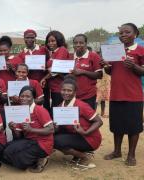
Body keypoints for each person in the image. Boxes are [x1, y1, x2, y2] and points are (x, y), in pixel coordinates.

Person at [101, 23, 144, 166]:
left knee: (134, 127)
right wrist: (106, 66)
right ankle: (117, 151)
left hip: (134, 95)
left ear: (135, 34)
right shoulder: (114, 51)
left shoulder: (141, 50)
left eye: (127, 32)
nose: (123, 35)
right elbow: (110, 71)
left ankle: (131, 155)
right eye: (121, 33)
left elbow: (142, 71)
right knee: (117, 126)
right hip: (116, 94)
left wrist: (134, 66)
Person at [0, 86, 54, 173]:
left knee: (18, 159)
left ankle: (42, 158)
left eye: (28, 96)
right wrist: (13, 128)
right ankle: (34, 159)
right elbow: (18, 135)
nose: (24, 98)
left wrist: (31, 129)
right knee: (4, 153)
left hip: (42, 143)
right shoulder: (19, 111)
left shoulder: (39, 110)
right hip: (29, 141)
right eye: (22, 96)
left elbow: (51, 129)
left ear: (33, 98)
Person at [54, 75, 103, 169]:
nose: (66, 93)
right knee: (53, 137)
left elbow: (99, 121)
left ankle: (84, 157)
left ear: (75, 92)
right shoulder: (60, 106)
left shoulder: (82, 105)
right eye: (64, 90)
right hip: (77, 136)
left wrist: (85, 132)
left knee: (56, 141)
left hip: (90, 138)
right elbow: (60, 127)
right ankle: (79, 153)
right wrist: (55, 126)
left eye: (69, 90)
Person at [71, 34, 103, 109]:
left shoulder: (94, 56)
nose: (78, 45)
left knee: (88, 119)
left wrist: (83, 72)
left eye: (81, 43)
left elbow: (99, 75)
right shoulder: (70, 56)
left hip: (88, 95)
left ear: (86, 44)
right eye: (75, 43)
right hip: (72, 95)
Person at [41, 30, 70, 111]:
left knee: (57, 112)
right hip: (53, 87)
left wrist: (44, 78)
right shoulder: (52, 53)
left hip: (60, 87)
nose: (50, 43)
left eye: (53, 41)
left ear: (59, 40)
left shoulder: (62, 50)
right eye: (49, 41)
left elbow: (56, 69)